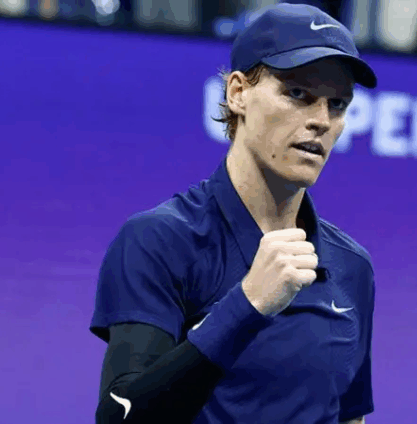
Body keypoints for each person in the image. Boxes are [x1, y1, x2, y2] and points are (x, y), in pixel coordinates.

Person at [89, 4, 378, 424]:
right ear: (238, 92)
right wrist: (248, 304)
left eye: (337, 104)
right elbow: (121, 417)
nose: (321, 120)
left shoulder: (352, 267)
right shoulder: (157, 240)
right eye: (298, 94)